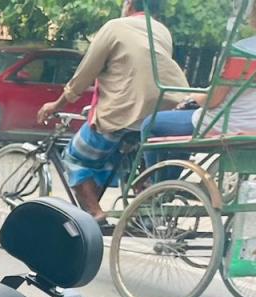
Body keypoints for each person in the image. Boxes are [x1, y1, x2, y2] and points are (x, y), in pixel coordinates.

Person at [37, 0, 189, 223]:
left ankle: (94, 213)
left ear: (129, 4)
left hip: (123, 112)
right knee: (129, 158)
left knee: (76, 157)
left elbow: (85, 73)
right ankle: (142, 207)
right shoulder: (162, 31)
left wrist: (57, 105)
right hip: (161, 113)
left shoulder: (114, 27)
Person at [140, 0, 256, 169]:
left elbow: (213, 100)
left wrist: (194, 97)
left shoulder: (242, 51)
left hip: (226, 124)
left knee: (150, 124)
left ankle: (157, 185)